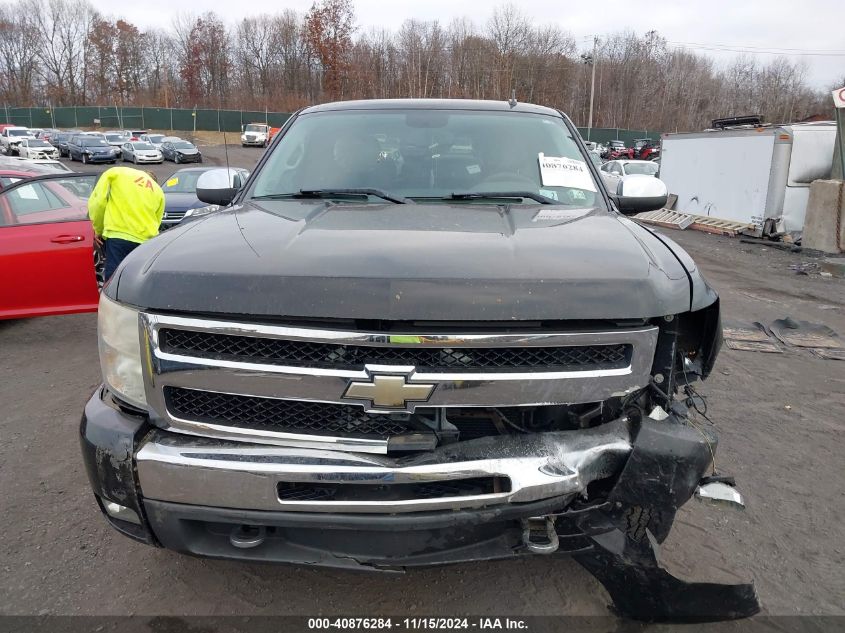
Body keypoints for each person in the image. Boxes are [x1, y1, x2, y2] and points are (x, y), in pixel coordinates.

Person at [88, 166, 165, 281]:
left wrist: (97, 229)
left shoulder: (116, 173)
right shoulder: (158, 191)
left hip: (118, 236)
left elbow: (98, 202)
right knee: (137, 280)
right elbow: (157, 221)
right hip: (145, 242)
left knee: (114, 280)